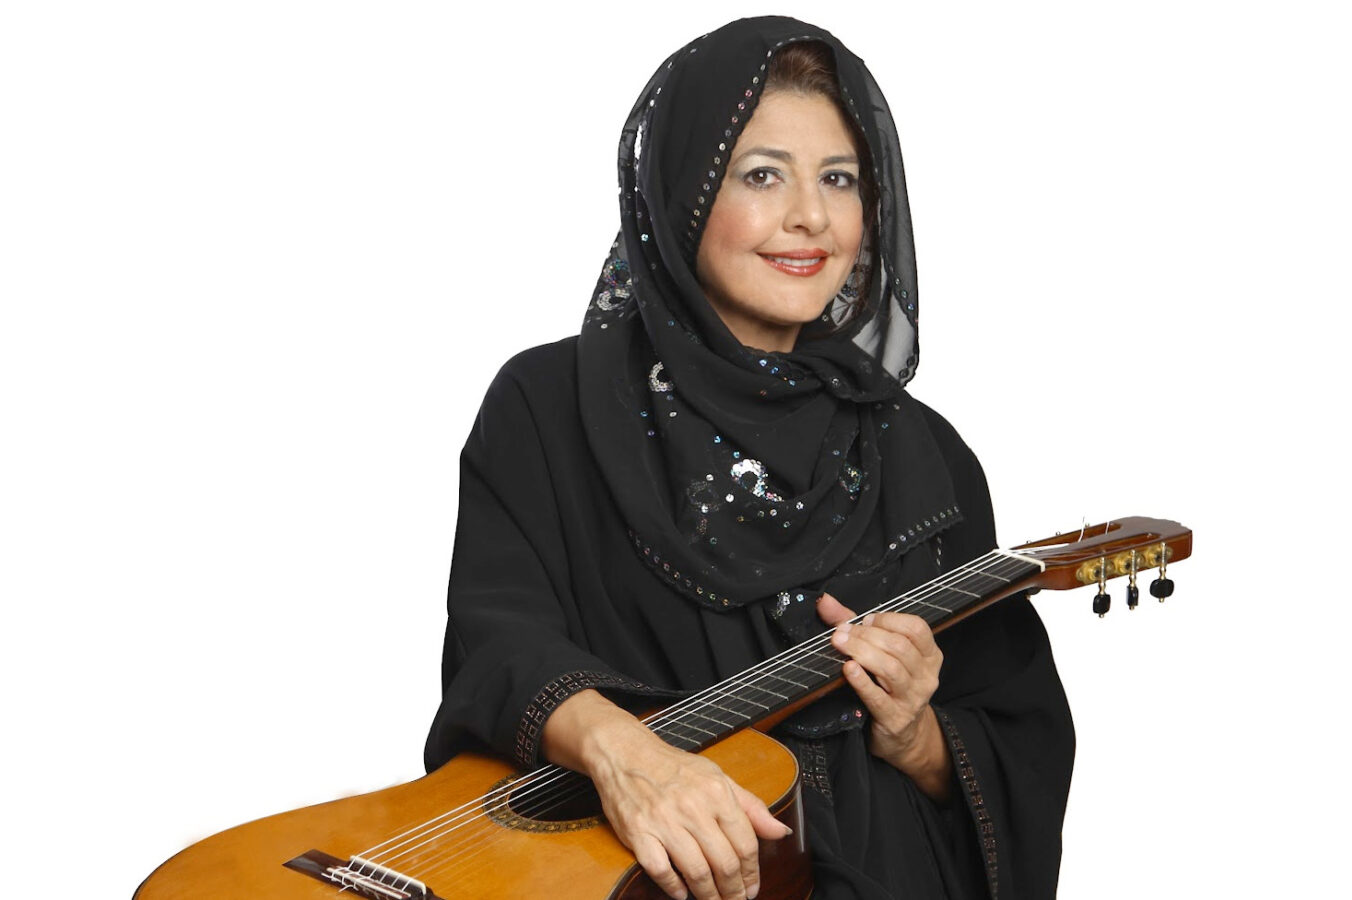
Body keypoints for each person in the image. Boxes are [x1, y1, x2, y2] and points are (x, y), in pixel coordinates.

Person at [423, 16, 1074, 900]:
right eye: (762, 174)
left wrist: (915, 736)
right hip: (638, 879)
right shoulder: (549, 405)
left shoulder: (926, 453)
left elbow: (1019, 740)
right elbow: (497, 643)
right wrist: (626, 756)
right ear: (684, 188)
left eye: (839, 179)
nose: (809, 216)